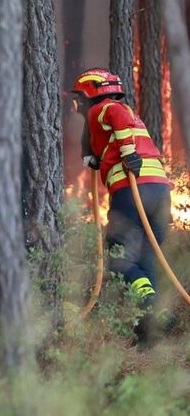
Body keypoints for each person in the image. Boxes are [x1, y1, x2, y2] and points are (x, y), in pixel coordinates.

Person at [72, 68, 174, 342]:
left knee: (118, 257)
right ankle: (149, 334)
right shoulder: (125, 115)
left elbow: (116, 120)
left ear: (90, 93)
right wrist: (92, 157)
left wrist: (128, 155)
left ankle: (154, 307)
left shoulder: (104, 108)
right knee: (144, 262)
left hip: (133, 191)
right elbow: (102, 141)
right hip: (159, 193)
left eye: (79, 98)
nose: (78, 105)